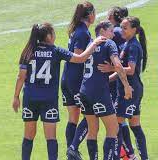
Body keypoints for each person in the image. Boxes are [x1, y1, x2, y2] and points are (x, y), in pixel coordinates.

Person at [12, 22, 106, 160]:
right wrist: (95, 43)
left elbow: (21, 77)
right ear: (49, 36)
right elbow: (80, 58)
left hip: (30, 98)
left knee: (28, 136)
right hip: (49, 100)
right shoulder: (56, 51)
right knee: (51, 138)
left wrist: (15, 97)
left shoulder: (28, 51)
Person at [68, 20, 133, 160]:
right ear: (102, 30)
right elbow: (118, 65)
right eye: (111, 31)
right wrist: (127, 86)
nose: (113, 34)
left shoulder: (90, 44)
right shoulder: (109, 44)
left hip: (84, 91)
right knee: (113, 129)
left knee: (93, 130)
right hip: (99, 92)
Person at [98, 16, 149, 160]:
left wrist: (111, 67)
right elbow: (120, 71)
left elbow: (131, 70)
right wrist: (109, 78)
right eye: (121, 27)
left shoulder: (132, 45)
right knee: (135, 126)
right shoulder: (127, 44)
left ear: (134, 30)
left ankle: (118, 157)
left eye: (125, 28)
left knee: (116, 125)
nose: (121, 30)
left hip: (129, 91)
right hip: (133, 90)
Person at [62, 1, 96, 155]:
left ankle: (71, 153)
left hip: (67, 78)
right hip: (76, 80)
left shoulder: (77, 30)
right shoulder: (83, 33)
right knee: (91, 115)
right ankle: (73, 148)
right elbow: (78, 56)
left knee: (73, 117)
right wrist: (93, 45)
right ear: (89, 15)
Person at [108, 6, 137, 160]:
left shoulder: (114, 33)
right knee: (122, 120)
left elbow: (118, 62)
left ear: (113, 16)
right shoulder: (127, 36)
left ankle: (126, 154)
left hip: (117, 81)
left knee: (117, 121)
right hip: (123, 80)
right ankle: (128, 154)